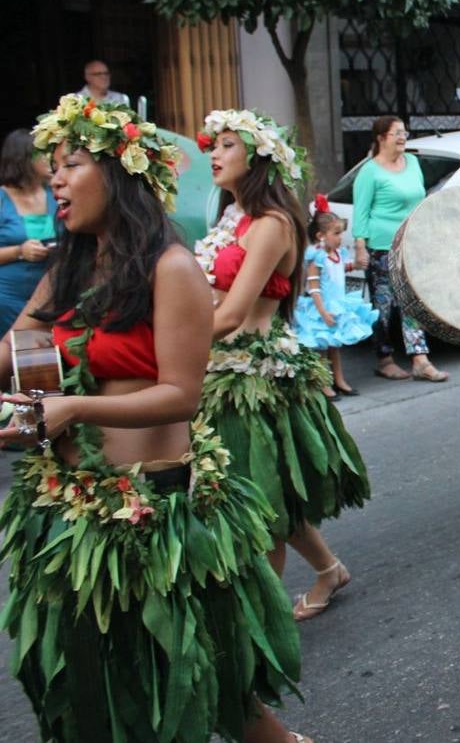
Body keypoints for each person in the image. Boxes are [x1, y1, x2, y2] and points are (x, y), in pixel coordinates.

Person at [0, 95, 308, 742]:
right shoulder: (71, 269)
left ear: (120, 174)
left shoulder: (171, 269)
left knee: (205, 681)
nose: (53, 177)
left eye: (72, 162)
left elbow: (180, 395)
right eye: (51, 165)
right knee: (105, 686)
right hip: (77, 511)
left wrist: (75, 406)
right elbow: (20, 344)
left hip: (156, 511)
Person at [194, 109, 370, 622]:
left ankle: (259, 628)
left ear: (258, 159)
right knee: (264, 496)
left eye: (227, 144)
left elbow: (229, 314)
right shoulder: (234, 218)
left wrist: (166, 347)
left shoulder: (270, 225)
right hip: (222, 371)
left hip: (255, 374)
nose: (214, 152)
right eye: (214, 143)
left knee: (260, 501)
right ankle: (329, 569)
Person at [352, 115, 447, 381]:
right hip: (381, 247)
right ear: (381, 138)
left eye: (404, 132)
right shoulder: (370, 170)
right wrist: (360, 246)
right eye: (396, 133)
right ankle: (384, 358)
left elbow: (421, 200)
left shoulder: (413, 163)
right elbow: (361, 211)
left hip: (411, 244)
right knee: (383, 305)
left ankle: (420, 359)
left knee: (413, 302)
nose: (403, 137)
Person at [294, 199, 377, 399]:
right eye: (336, 233)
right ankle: (323, 383)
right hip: (323, 308)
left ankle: (338, 379)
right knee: (322, 347)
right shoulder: (317, 258)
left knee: (335, 345)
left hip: (338, 304)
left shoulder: (337, 254)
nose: (340, 238)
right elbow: (314, 288)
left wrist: (356, 264)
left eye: (341, 233)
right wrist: (322, 311)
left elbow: (342, 267)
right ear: (321, 236)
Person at [0, 129, 57, 334]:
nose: (50, 158)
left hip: (51, 297)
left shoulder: (56, 193)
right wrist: (20, 251)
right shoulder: (2, 198)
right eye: (43, 153)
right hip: (6, 299)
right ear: (23, 158)